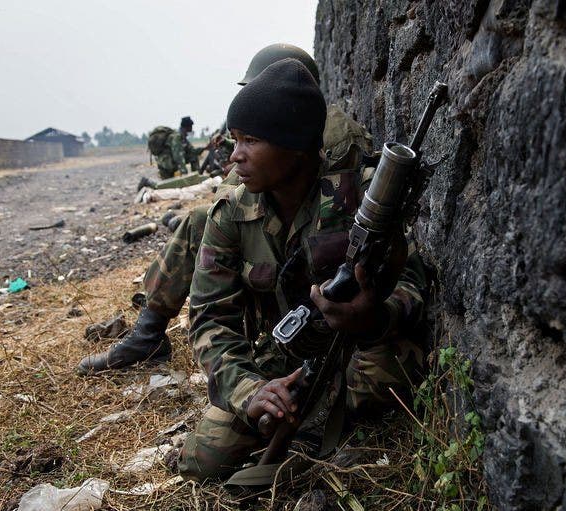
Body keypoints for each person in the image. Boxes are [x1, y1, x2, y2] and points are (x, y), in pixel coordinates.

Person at [177, 58, 427, 481]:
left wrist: (374, 318)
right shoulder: (230, 214)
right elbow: (209, 319)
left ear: (294, 143)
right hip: (287, 355)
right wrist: (251, 392)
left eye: (250, 140)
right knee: (203, 459)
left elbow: (416, 279)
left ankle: (322, 435)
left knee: (376, 387)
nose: (235, 156)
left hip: (361, 345)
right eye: (235, 139)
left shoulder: (364, 194)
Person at [76, 44, 373, 375]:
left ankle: (149, 333)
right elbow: (232, 197)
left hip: (307, 262)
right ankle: (148, 332)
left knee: (201, 220)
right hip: (285, 254)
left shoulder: (314, 133)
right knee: (203, 220)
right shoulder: (312, 123)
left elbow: (239, 199)